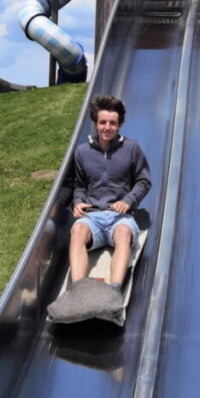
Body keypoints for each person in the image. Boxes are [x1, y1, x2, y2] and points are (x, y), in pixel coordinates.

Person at [66, 95, 151, 297]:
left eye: (112, 123)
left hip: (119, 217)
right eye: (102, 122)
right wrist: (77, 202)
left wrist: (128, 200)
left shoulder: (132, 148)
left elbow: (144, 181)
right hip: (92, 217)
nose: (107, 127)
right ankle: (78, 291)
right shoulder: (82, 152)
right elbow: (79, 184)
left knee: (123, 233)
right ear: (95, 124)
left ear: (119, 125)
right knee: (77, 231)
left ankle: (114, 291)